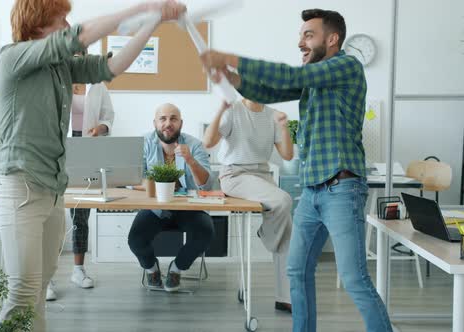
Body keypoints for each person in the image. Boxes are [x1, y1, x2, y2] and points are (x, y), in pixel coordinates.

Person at [0, 1, 186, 330]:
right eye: (61, 18)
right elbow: (76, 37)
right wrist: (142, 7)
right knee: (22, 292)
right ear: (39, 23)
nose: (67, 24)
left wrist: (152, 23)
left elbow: (111, 67)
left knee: (38, 290)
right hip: (20, 188)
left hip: (52, 191)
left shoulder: (60, 67)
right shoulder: (12, 58)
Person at [199, 8, 392, 332]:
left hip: (342, 188)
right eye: (300, 34)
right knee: (297, 271)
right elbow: (269, 92)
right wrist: (231, 79)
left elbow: (291, 78)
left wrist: (228, 57)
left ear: (332, 39)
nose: (300, 42)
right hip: (313, 192)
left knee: (354, 278)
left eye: (308, 35)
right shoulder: (314, 78)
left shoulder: (346, 65)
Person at [202, 98, 294, 313]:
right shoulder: (232, 110)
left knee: (288, 232)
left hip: (262, 175)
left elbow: (288, 155)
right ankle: (267, 234)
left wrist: (284, 127)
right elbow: (208, 142)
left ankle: (285, 298)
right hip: (235, 174)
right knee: (284, 200)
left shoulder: (273, 114)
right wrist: (219, 111)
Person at [45, 51, 115, 301]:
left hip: (87, 149)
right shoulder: (55, 80)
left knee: (81, 212)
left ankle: (78, 269)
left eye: (79, 55)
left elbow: (108, 116)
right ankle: (47, 278)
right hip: (57, 150)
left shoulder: (97, 85)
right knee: (52, 214)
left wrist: (101, 128)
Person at [128, 103, 215, 293]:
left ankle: (177, 268)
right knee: (135, 239)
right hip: (156, 208)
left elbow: (206, 184)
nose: (168, 123)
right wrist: (157, 186)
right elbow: (131, 177)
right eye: (163, 119)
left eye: (173, 119)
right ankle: (152, 269)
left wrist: (190, 160)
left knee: (206, 232)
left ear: (181, 123)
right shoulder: (143, 142)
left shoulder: (194, 144)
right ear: (155, 123)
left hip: (188, 208)